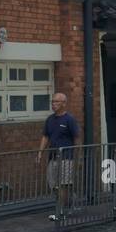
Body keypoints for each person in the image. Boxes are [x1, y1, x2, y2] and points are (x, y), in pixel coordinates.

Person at [39, 92, 80, 221]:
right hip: (53, 157)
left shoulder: (69, 119)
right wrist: (40, 152)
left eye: (57, 102)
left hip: (67, 157)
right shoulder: (50, 120)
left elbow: (77, 138)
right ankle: (71, 199)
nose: (53, 104)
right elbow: (45, 137)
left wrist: (78, 157)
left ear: (64, 104)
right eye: (53, 102)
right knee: (53, 185)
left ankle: (60, 211)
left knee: (63, 184)